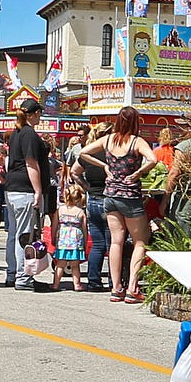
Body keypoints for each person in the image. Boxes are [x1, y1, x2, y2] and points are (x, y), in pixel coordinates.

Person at [81, 106, 160, 304]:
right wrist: (139, 172)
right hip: (130, 196)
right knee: (140, 240)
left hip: (110, 195)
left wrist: (105, 166)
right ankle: (133, 287)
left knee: (116, 241)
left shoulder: (108, 139)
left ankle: (116, 288)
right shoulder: (136, 141)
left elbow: (84, 152)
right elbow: (153, 159)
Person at [2, 96, 54, 291]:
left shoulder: (16, 133)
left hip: (12, 187)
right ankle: (24, 277)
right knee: (25, 234)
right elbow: (31, 163)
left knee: (14, 233)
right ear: (35, 114)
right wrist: (38, 190)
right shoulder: (29, 134)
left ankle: (12, 273)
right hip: (25, 188)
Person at [77, 118, 113, 292]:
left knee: (98, 244)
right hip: (109, 199)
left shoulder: (89, 155)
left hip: (93, 199)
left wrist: (86, 187)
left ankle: (93, 281)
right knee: (113, 243)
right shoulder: (112, 154)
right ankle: (114, 282)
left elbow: (75, 172)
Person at [55, 181, 89, 289]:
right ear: (79, 198)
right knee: (75, 265)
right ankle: (77, 284)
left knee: (60, 264)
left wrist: (53, 237)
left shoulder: (60, 210)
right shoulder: (80, 212)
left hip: (62, 241)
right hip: (76, 241)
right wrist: (85, 241)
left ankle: (55, 284)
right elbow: (84, 229)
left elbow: (54, 226)